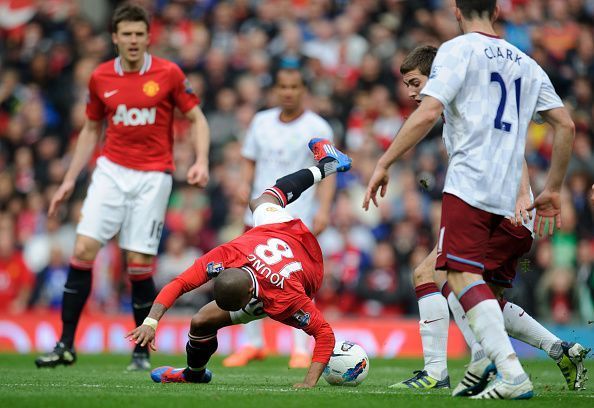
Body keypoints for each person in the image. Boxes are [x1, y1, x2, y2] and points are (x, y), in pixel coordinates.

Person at [363, 0, 575, 400]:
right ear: (496, 11)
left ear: (457, 11)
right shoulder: (526, 62)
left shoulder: (456, 51)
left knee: (455, 276)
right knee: (463, 282)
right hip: (507, 191)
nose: (411, 92)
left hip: (471, 184)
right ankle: (492, 359)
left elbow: (428, 113)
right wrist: (555, 188)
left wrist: (384, 161)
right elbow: (565, 124)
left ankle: (505, 369)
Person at [35, 3, 210, 371]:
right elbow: (90, 129)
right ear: (115, 38)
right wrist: (69, 179)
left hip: (153, 175)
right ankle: (65, 344)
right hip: (111, 171)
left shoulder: (169, 73)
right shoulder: (100, 77)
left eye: (139, 34)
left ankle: (141, 351)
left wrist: (201, 161)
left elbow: (197, 118)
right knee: (83, 248)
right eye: (126, 34)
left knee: (138, 262)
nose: (133, 40)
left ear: (149, 37)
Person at [125, 139, 351, 388]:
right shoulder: (226, 254)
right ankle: (194, 374)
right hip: (276, 235)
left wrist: (308, 383)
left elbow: (325, 334)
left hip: (305, 268)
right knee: (261, 202)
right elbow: (178, 284)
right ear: (226, 271)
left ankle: (328, 164)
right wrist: (150, 321)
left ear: (247, 298)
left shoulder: (287, 298)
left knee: (258, 205)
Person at [224, 67, 335, 369]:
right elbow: (250, 160)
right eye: (283, 86)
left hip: (296, 219)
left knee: (297, 284)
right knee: (249, 278)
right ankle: (253, 344)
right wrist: (244, 187)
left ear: (303, 90)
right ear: (276, 90)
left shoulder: (318, 126)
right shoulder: (261, 122)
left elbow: (329, 171)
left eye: (294, 86)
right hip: (260, 215)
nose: (288, 92)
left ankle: (300, 348)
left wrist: (324, 209)